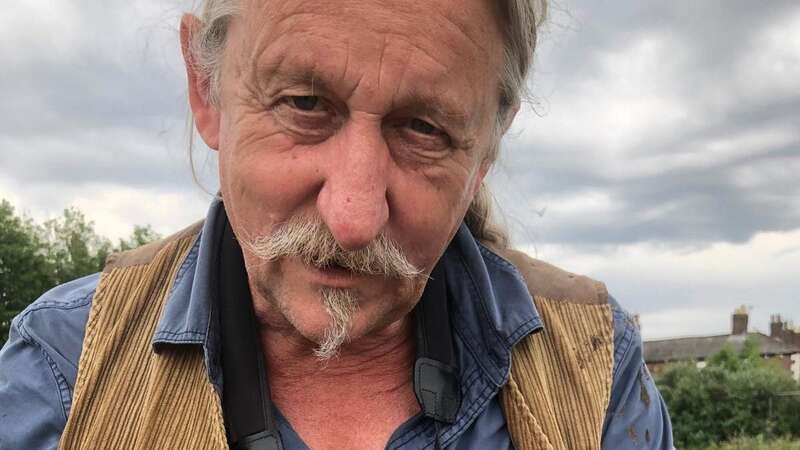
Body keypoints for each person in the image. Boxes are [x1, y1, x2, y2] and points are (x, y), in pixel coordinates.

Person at [0, 0, 675, 449]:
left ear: (486, 152)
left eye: (424, 129)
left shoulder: (589, 364)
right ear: (206, 90)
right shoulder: (64, 369)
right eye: (304, 103)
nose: (353, 220)